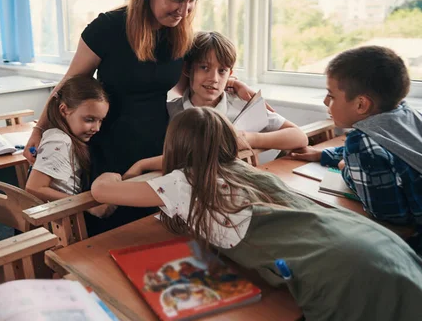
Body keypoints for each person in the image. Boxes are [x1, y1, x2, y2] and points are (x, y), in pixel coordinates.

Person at [91, 107, 422, 320]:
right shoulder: (239, 167)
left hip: (338, 268)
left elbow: (102, 192)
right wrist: (151, 163)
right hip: (370, 240)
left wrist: (119, 171)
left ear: (174, 148)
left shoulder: (182, 184)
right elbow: (204, 155)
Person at [24, 0, 255, 235]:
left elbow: (193, 80)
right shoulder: (108, 28)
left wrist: (232, 83)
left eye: (193, 0)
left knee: (157, 232)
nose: (184, 11)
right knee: (111, 236)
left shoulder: (181, 34)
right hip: (110, 148)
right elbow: (69, 84)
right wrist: (39, 129)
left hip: (160, 147)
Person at [124, 31, 307, 178]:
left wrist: (248, 138)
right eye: (204, 67)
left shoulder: (240, 106)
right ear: (188, 69)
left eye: (222, 71)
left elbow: (299, 137)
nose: (214, 79)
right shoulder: (170, 112)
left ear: (230, 73)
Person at [290, 46, 422, 238]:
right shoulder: (406, 113)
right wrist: (324, 154)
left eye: (332, 95)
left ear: (361, 104)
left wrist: (346, 169)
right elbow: (386, 149)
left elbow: (389, 215)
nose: (326, 102)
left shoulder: (360, 143)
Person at [25, 76, 115, 218]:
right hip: (55, 220)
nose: (97, 128)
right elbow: (34, 187)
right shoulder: (59, 141)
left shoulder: (68, 139)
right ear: (64, 110)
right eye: (89, 119)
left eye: (100, 121)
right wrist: (85, 204)